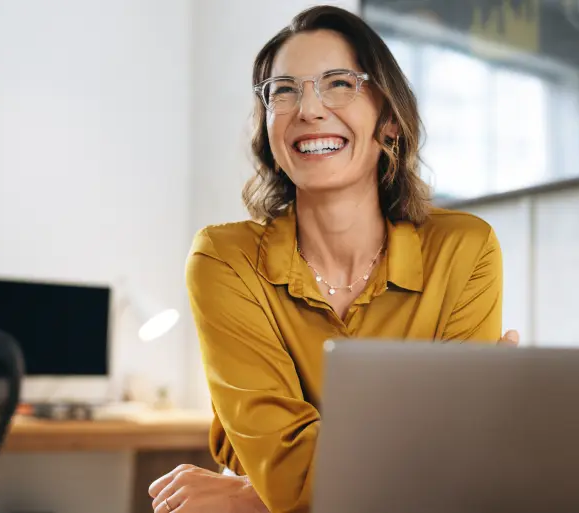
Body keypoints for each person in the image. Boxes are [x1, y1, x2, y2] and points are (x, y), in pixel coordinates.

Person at [149, 5, 519, 513]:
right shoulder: (225, 259)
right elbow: (296, 472)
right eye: (284, 90)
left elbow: (458, 474)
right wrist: (435, 440)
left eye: (339, 83)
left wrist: (248, 498)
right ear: (268, 129)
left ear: (390, 120)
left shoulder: (465, 250)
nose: (308, 109)